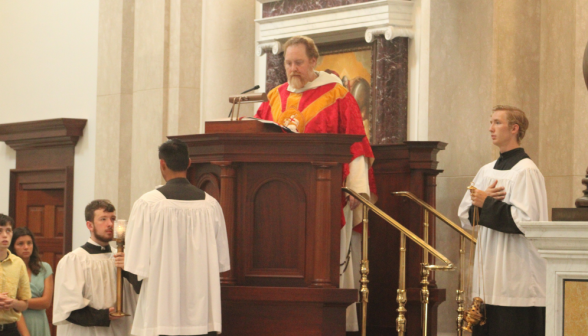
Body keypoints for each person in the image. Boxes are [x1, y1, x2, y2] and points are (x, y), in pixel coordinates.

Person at [254, 35, 376, 331]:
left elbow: (356, 143)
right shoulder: (274, 97)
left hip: (327, 195)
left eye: (298, 62)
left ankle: (337, 325)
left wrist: (357, 189)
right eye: (288, 63)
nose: (292, 69)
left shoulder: (337, 95)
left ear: (313, 61)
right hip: (278, 197)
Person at [124, 139, 230, 336]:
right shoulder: (211, 205)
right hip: (201, 316)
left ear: (162, 164)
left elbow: (134, 264)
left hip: (161, 315)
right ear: (189, 163)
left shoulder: (147, 204)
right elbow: (220, 262)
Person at [458, 106, 547, 336]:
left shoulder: (526, 171)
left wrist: (486, 203)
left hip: (516, 276)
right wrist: (480, 203)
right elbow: (465, 215)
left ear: (514, 128)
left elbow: (528, 222)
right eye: (491, 122)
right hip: (489, 273)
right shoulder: (486, 171)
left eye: (497, 122)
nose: (491, 128)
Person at [53, 200, 137, 336]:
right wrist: (103, 315)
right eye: (103, 219)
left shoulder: (123, 258)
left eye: (113, 219)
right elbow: (67, 308)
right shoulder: (75, 260)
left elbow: (141, 291)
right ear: (89, 225)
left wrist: (129, 269)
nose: (110, 224)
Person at [10, 227, 53, 336]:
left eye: (29, 243)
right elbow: (12, 306)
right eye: (20, 244)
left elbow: (46, 302)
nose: (26, 247)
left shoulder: (44, 268)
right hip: (16, 322)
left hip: (39, 321)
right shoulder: (8, 270)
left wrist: (19, 303)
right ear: (13, 247)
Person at [0, 214, 31, 336]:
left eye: (8, 230)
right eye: (0, 230)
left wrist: (13, 303)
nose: (5, 235)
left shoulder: (18, 264)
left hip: (10, 330)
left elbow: (25, 304)